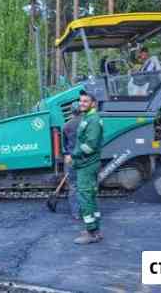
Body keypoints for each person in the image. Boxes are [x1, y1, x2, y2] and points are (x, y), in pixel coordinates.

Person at [72, 90, 104, 244]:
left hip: (87, 164)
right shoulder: (88, 117)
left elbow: (90, 146)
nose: (82, 103)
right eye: (81, 101)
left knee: (85, 196)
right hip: (85, 163)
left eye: (85, 101)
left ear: (93, 103)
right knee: (90, 196)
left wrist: (73, 155)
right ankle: (95, 229)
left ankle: (91, 233)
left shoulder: (93, 120)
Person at [63, 101, 82, 220]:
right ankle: (89, 212)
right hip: (85, 158)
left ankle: (76, 213)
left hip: (71, 159)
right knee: (86, 185)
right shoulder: (87, 124)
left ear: (72, 112)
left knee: (73, 186)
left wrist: (67, 154)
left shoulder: (66, 126)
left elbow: (64, 145)